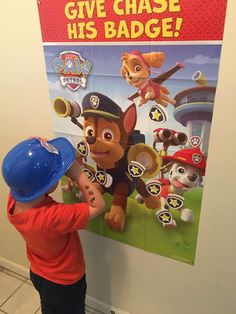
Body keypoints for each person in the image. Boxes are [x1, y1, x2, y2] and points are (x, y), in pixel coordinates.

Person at [1, 137, 105, 314]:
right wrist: (75, 171)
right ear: (46, 186)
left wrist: (38, 146)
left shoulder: (14, 202)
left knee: (50, 308)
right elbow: (99, 206)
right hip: (65, 283)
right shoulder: (53, 216)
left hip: (39, 274)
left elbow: (25, 168)